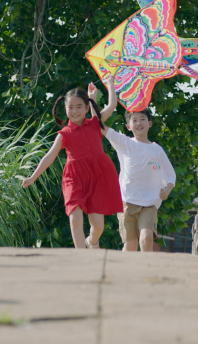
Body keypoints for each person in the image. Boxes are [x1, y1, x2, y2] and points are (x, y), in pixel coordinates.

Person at [22, 75, 122, 249]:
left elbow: (112, 105)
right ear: (65, 108)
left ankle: (92, 242)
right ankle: (81, 258)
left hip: (98, 176)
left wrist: (110, 84)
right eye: (70, 107)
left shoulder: (94, 124)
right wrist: (32, 177)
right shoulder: (64, 134)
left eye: (79, 107)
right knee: (75, 218)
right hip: (74, 179)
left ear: (86, 108)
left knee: (98, 225)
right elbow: (49, 156)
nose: (74, 111)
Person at [89, 86, 176, 252]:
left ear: (149, 123)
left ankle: (145, 273)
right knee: (129, 247)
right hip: (127, 202)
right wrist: (92, 99)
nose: (138, 123)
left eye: (142, 119)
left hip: (149, 204)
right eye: (134, 120)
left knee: (146, 238)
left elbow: (170, 175)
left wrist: (167, 189)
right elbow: (98, 126)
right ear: (128, 126)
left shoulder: (157, 149)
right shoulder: (124, 143)